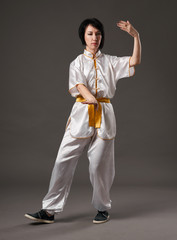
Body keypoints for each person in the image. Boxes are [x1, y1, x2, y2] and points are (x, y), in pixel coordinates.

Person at [25, 18, 141, 224]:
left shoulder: (111, 61)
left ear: (101, 37)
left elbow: (134, 61)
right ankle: (49, 210)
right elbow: (79, 84)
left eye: (97, 34)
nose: (94, 38)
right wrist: (90, 98)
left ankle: (102, 208)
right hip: (82, 114)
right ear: (83, 37)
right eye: (90, 34)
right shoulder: (77, 62)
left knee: (100, 165)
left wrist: (136, 36)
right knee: (63, 159)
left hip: (104, 116)